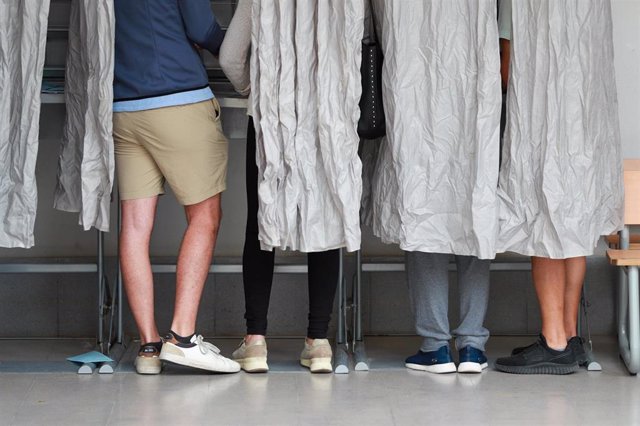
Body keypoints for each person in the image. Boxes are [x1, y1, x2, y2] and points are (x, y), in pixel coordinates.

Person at [366, 0, 502, 374]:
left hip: (413, 100)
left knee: (422, 211)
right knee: (475, 217)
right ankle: (473, 346)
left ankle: (435, 347)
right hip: (474, 103)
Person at [494, 0, 624, 374]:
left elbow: (507, 66)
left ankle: (552, 340)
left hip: (542, 120)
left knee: (544, 221)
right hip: (583, 121)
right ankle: (569, 336)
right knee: (572, 223)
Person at [113, 0, 240, 375]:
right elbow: (203, 29)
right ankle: (182, 339)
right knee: (205, 216)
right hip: (178, 100)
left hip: (123, 105)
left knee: (135, 226)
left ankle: (149, 347)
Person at [219, 0, 340, 374]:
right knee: (324, 221)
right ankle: (317, 342)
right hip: (325, 119)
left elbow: (230, 57)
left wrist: (253, 92)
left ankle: (255, 342)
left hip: (270, 117)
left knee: (260, 225)